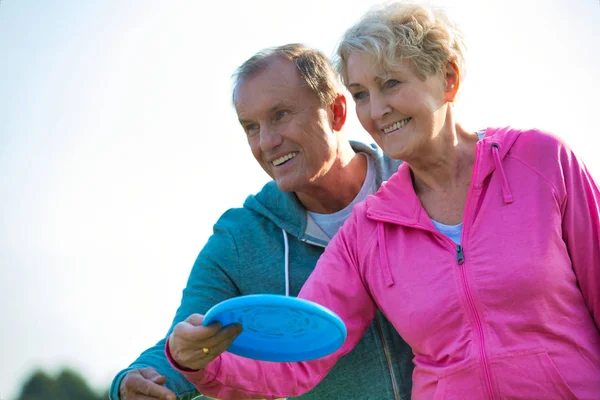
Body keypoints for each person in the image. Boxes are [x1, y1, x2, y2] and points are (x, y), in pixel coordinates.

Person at [165, 2, 600, 399]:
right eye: (360, 94)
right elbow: (299, 360)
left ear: (448, 78)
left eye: (390, 83)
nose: (375, 111)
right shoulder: (367, 230)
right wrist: (199, 359)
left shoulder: (540, 162)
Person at [109, 43, 415, 400]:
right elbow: (189, 338)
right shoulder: (241, 239)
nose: (266, 142)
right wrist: (131, 382)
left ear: (336, 111)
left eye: (281, 115)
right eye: (250, 127)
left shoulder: (419, 184)